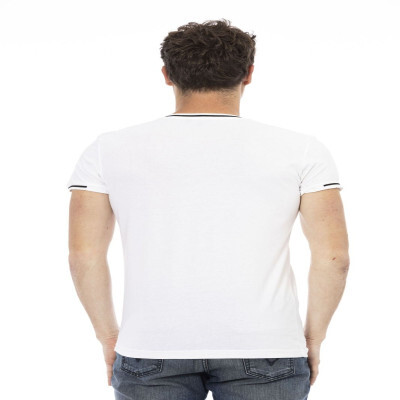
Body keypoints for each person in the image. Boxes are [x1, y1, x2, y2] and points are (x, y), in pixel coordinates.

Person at [67, 18, 350, 400]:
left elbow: (83, 255)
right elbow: (334, 257)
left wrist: (109, 337)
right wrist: (313, 337)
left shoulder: (106, 150)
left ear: (167, 75)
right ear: (248, 74)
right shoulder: (302, 151)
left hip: (151, 346)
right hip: (267, 346)